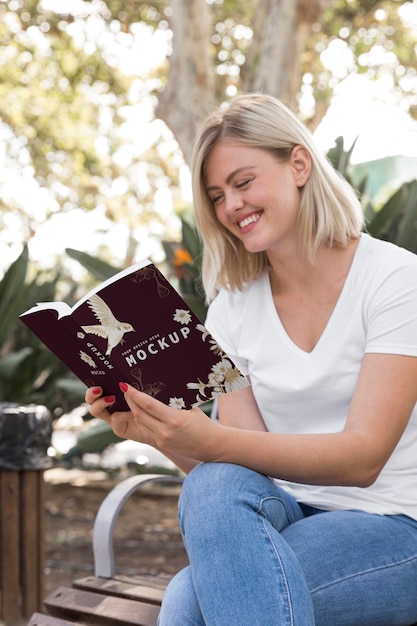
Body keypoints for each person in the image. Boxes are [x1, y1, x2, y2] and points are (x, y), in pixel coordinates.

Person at [85, 93, 417, 626]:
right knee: (213, 483)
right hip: (282, 515)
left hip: (397, 526)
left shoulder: (395, 279)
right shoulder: (232, 307)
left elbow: (364, 457)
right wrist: (158, 433)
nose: (230, 206)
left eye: (243, 183)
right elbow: (236, 462)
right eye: (217, 196)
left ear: (299, 164)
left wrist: (207, 438)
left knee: (190, 602)